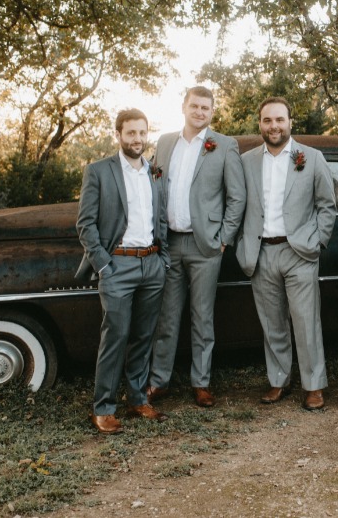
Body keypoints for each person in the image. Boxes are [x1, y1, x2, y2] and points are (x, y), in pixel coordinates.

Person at [236, 97, 337, 410]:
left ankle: (313, 385)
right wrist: (242, 245)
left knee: (306, 322)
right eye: (267, 120)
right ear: (261, 124)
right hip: (262, 251)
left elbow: (326, 205)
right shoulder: (247, 161)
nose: (274, 126)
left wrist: (317, 240)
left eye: (279, 119)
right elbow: (237, 205)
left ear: (290, 122)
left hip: (299, 252)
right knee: (272, 323)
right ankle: (279, 380)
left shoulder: (311, 157)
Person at [147, 86, 245, 407]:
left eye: (206, 108)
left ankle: (201, 383)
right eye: (195, 106)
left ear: (212, 112)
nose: (200, 112)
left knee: (202, 317)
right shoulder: (164, 143)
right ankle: (159, 381)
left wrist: (223, 239)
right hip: (169, 242)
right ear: (183, 106)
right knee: (167, 316)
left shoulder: (225, 145)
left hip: (206, 246)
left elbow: (237, 197)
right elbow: (153, 181)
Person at [76, 109, 170, 434]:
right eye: (131, 133)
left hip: (153, 264)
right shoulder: (99, 171)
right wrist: (103, 264)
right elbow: (85, 224)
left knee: (145, 337)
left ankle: (137, 399)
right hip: (117, 264)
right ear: (118, 135)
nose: (137, 139)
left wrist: (163, 259)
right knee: (115, 335)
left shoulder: (155, 172)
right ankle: (103, 408)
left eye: (142, 133)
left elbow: (162, 219)